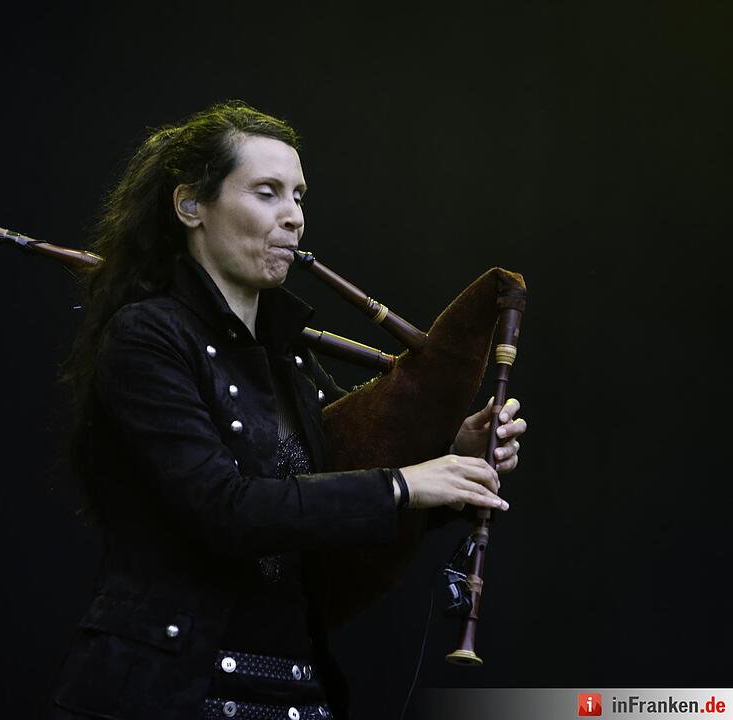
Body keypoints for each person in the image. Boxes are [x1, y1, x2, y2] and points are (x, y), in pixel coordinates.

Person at [47, 101, 527, 720]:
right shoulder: (146, 338)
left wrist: (450, 465)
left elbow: (333, 498)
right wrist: (405, 484)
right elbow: (225, 509)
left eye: (298, 197)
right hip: (164, 690)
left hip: (293, 690)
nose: (294, 218)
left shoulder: (288, 358)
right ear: (191, 205)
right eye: (268, 193)